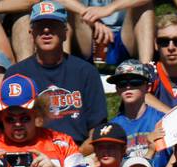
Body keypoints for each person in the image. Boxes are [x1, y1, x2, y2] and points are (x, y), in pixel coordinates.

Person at [7, 2, 106, 146]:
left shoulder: (85, 72)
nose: (46, 30)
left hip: (78, 151)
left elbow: (97, 128)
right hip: (33, 151)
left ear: (65, 33)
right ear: (31, 33)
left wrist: (75, 157)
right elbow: (8, 126)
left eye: (53, 25)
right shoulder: (16, 74)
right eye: (40, 26)